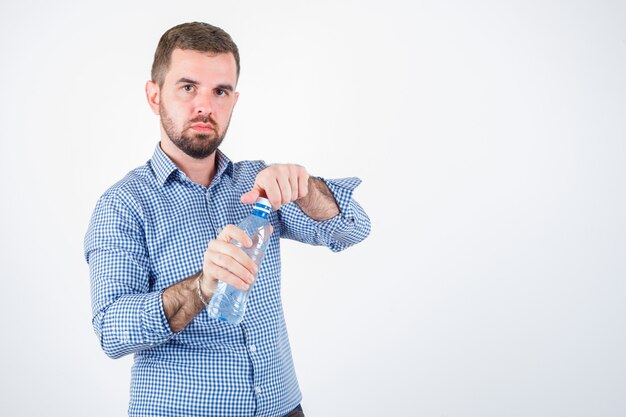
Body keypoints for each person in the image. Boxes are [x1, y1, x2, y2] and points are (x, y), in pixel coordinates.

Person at [84, 21, 370, 417]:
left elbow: (352, 228)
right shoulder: (122, 205)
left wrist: (306, 188)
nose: (205, 106)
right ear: (154, 96)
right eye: (188, 88)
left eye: (220, 91)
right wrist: (202, 287)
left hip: (283, 408)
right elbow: (111, 332)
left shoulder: (261, 187)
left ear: (234, 100)